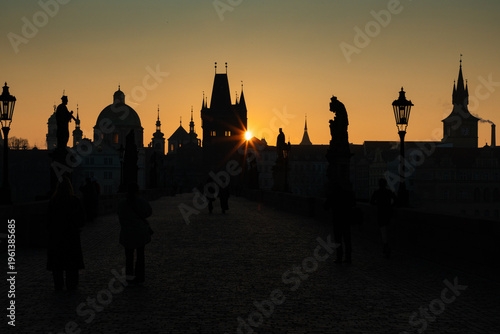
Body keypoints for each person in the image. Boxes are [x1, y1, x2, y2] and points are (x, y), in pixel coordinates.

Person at [47, 177, 85, 291]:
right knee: (71, 262)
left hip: (56, 236)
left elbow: (48, 219)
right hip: (71, 235)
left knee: (57, 262)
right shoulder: (74, 200)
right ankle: (71, 284)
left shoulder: (53, 201)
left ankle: (58, 284)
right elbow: (81, 218)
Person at [118, 183, 153, 284]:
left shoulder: (121, 203)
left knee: (129, 257)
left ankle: (129, 278)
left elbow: (119, 214)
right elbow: (149, 212)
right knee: (140, 255)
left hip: (127, 233)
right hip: (139, 232)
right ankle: (140, 277)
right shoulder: (141, 201)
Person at [370, 178, 397, 258]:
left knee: (383, 231)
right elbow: (395, 199)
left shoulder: (377, 192)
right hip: (388, 213)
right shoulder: (389, 192)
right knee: (388, 231)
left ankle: (385, 245)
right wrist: (390, 206)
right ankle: (387, 246)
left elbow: (371, 202)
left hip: (380, 214)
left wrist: (378, 204)